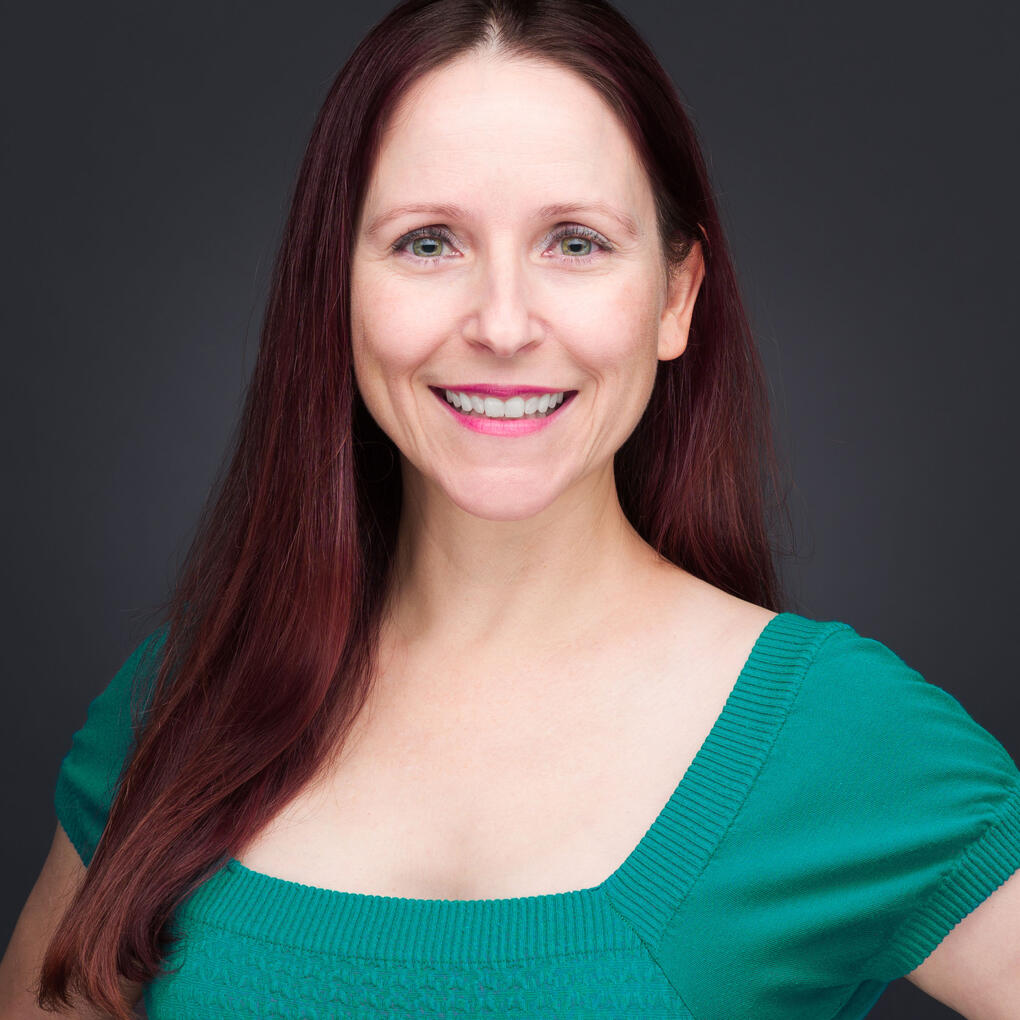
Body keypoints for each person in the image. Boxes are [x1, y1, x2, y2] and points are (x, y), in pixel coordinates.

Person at [3, 0, 1018, 1017]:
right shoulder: (183, 704)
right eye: (428, 242)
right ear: (336, 288)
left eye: (575, 243)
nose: (501, 324)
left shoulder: (840, 738)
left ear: (676, 298)